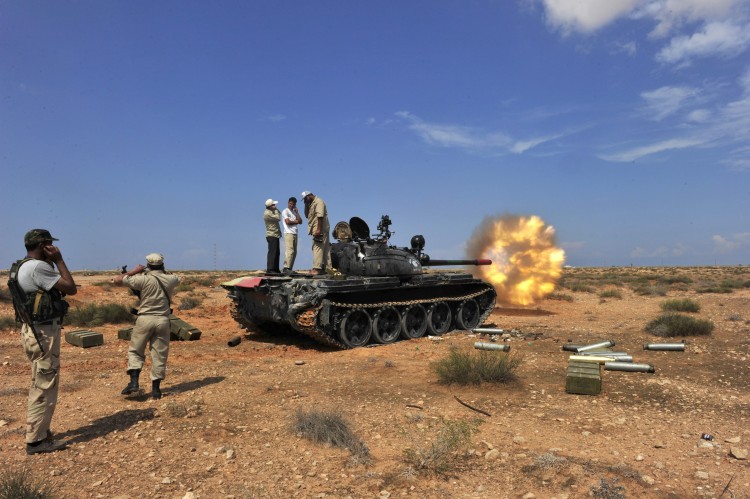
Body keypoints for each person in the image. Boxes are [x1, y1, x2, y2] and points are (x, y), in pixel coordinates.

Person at [10, 229, 76, 455]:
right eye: (50, 245)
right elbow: (70, 287)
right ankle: (36, 441)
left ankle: (40, 431)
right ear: (44, 245)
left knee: (40, 380)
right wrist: (59, 260)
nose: (53, 249)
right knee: (44, 384)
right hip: (43, 333)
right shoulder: (40, 267)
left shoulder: (21, 266)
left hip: (32, 330)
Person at [113, 253, 179, 400]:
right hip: (163, 320)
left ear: (147, 265)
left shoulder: (141, 279)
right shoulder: (171, 279)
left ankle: (134, 383)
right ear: (162, 264)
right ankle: (156, 390)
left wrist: (134, 271)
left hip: (144, 319)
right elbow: (177, 278)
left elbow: (116, 280)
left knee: (136, 351)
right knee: (159, 355)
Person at [301, 191, 330, 275]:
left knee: (317, 247)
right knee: (325, 250)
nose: (304, 201)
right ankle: (328, 269)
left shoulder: (318, 201)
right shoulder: (311, 203)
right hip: (320, 228)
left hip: (320, 228)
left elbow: (320, 216)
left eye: (305, 199)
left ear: (309, 196)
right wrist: (306, 204)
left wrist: (318, 229)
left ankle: (317, 269)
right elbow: (307, 215)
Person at [281, 197, 303, 274]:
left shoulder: (294, 212)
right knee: (290, 250)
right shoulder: (285, 211)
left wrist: (297, 213)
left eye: (293, 204)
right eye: (290, 203)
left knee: (294, 252)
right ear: (288, 203)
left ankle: (289, 268)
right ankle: (286, 267)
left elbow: (301, 221)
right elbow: (288, 222)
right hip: (288, 233)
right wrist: (296, 221)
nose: (291, 205)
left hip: (295, 233)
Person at [263, 199, 281, 274]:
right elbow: (278, 217)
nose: (275, 206)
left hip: (275, 234)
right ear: (270, 206)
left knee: (277, 252)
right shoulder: (267, 213)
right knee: (272, 252)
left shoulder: (271, 212)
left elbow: (279, 213)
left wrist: (275, 209)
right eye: (273, 205)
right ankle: (270, 269)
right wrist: (276, 210)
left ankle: (275, 268)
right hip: (271, 234)